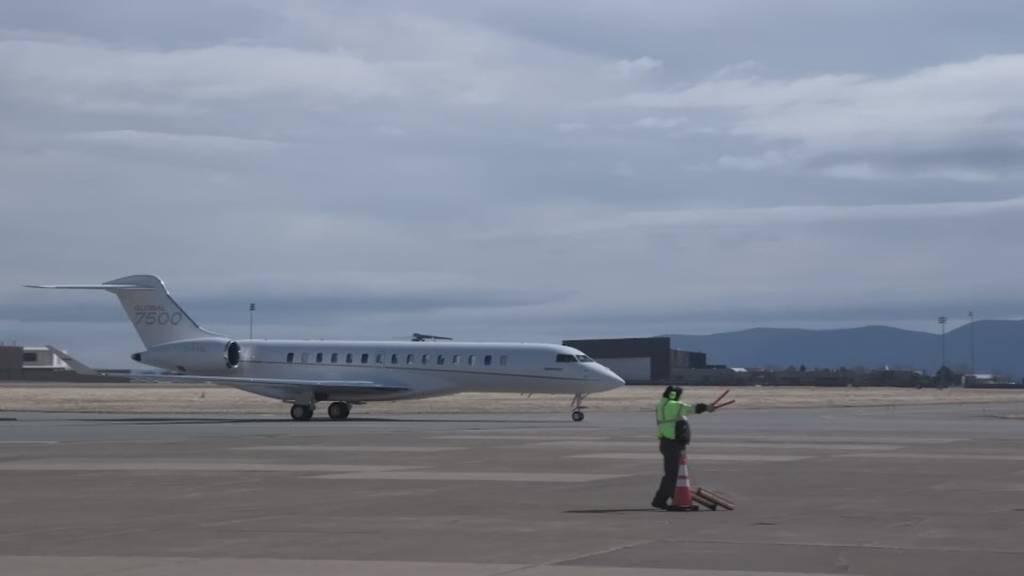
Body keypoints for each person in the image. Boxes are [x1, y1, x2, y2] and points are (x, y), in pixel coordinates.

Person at [651, 385, 714, 510]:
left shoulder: (660, 405)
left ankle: (667, 499)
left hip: (665, 442)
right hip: (673, 443)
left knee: (672, 473)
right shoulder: (674, 405)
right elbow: (691, 408)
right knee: (673, 474)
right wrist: (707, 407)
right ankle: (667, 499)